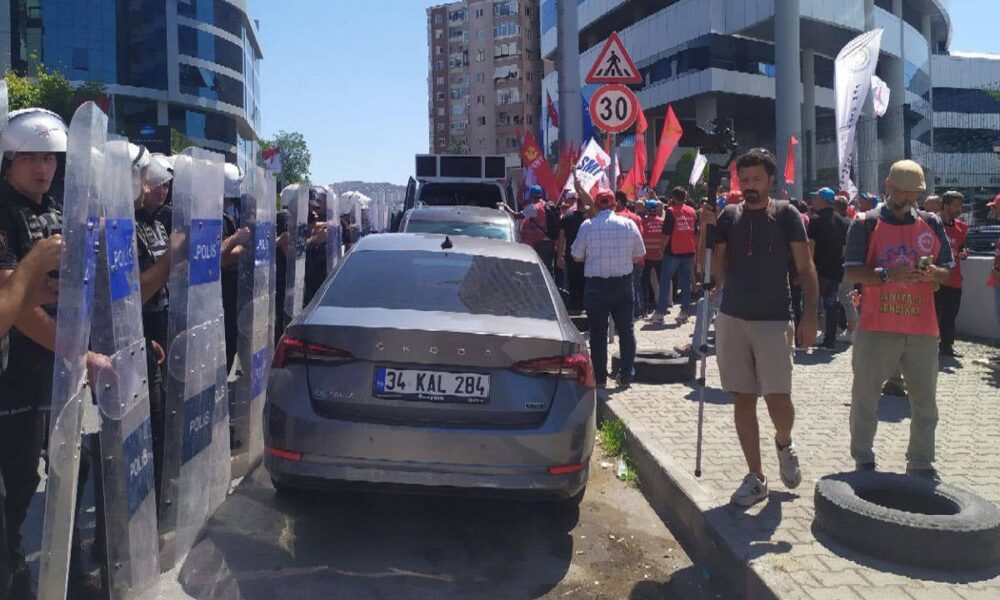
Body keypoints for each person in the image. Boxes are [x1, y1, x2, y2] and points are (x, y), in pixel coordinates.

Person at [712, 148, 817, 507]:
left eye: (757, 179)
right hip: (733, 318)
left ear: (771, 180)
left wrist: (810, 315)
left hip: (774, 320)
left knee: (778, 399)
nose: (750, 186)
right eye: (745, 179)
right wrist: (706, 231)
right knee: (743, 398)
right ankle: (756, 477)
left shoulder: (787, 215)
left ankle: (784, 443)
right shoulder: (728, 216)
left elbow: (805, 268)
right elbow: (714, 270)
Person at [844, 160, 953, 479]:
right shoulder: (864, 223)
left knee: (925, 402)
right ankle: (863, 458)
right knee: (865, 397)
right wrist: (885, 274)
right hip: (876, 327)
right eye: (902, 192)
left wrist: (934, 273)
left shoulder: (931, 223)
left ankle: (921, 462)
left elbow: (947, 272)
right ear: (888, 187)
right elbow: (851, 272)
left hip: (922, 329)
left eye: (913, 193)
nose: (907, 198)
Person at [0, 108, 70, 600]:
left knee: (50, 473)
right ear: (9, 160)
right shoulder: (3, 210)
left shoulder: (57, 208)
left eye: (49, 158)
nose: (43, 167)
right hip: (16, 373)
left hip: (55, 369)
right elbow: (15, 304)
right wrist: (77, 351)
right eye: (30, 158)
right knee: (16, 477)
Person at [572, 177, 645, 390]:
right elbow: (639, 254)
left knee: (597, 333)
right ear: (615, 205)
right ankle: (626, 375)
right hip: (623, 284)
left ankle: (601, 378)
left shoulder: (588, 226)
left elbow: (576, 256)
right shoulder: (629, 224)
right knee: (627, 331)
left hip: (596, 286)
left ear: (596, 205)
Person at [808, 188, 851, 350]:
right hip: (835, 269)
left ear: (823, 201)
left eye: (816, 198)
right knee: (831, 303)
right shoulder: (842, 221)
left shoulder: (815, 220)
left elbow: (811, 246)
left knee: (811, 303)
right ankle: (830, 338)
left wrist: (807, 267)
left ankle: (809, 335)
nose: (813, 201)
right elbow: (845, 248)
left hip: (818, 269)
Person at [651, 187, 697, 324]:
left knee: (665, 281)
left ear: (673, 197)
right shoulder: (692, 211)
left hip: (673, 252)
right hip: (688, 251)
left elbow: (666, 233)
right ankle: (684, 313)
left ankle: (660, 312)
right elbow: (696, 232)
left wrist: (661, 248)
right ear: (685, 197)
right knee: (686, 283)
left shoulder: (671, 212)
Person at [936, 191, 969, 358]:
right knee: (935, 314)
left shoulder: (961, 227)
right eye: (956, 206)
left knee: (951, 314)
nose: (960, 209)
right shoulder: (933, 224)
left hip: (954, 278)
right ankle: (928, 344)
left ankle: (947, 346)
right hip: (936, 278)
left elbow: (961, 247)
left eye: (961, 206)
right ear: (945, 205)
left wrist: (963, 252)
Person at [614, 191, 645, 318]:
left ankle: (627, 315)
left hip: (620, 260)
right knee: (636, 287)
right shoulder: (636, 218)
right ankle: (637, 313)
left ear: (618, 202)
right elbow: (640, 238)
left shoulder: (614, 217)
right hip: (636, 259)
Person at [516, 185, 558, 274]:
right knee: (549, 268)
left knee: (542, 269)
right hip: (550, 241)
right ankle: (551, 282)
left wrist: (506, 207)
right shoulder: (545, 204)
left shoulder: (534, 207)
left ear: (531, 195)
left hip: (542, 243)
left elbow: (517, 215)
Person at [556, 191, 586, 312]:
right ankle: (582, 303)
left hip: (571, 253)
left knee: (572, 279)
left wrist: (559, 256)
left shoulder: (567, 217)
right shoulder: (588, 218)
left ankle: (573, 303)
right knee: (584, 279)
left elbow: (561, 238)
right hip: (585, 255)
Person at [640, 199, 665, 316]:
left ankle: (645, 308)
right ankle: (662, 306)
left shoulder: (643, 222)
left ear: (647, 209)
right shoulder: (662, 222)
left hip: (646, 256)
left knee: (644, 283)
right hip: (659, 256)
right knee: (662, 282)